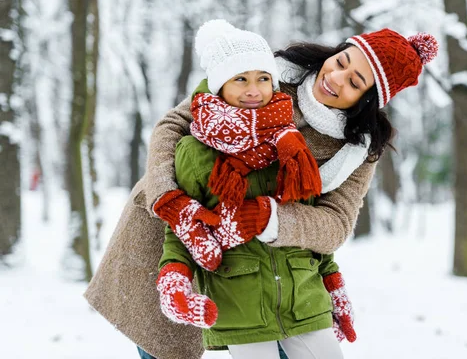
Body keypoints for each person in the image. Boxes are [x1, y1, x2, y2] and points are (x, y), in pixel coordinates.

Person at [84, 23, 438, 359]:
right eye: (340, 61)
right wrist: (168, 198)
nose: (334, 78)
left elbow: (336, 222)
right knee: (165, 342)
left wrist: (272, 219)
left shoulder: (356, 149)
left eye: (354, 81)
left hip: (265, 265)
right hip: (175, 230)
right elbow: (176, 122)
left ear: (367, 99)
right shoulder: (263, 73)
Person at [154, 19, 354, 359]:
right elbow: (185, 227)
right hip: (240, 302)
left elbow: (308, 218)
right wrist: (174, 278)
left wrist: (333, 284)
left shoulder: (292, 143)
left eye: (263, 78)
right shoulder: (194, 151)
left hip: (305, 297)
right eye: (240, 79)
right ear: (219, 86)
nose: (254, 89)